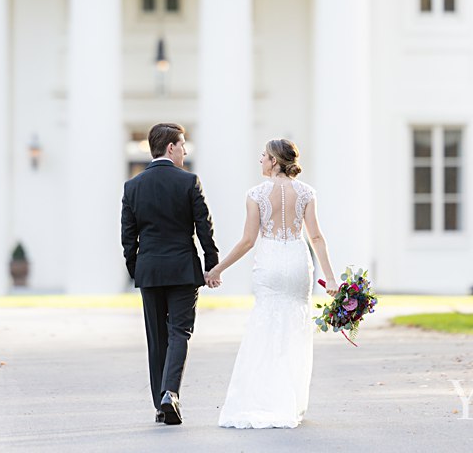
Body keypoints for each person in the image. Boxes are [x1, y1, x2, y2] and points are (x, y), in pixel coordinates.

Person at [206, 138, 336, 429]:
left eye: (263, 156)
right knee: (294, 327)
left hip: (270, 263)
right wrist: (330, 278)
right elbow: (316, 237)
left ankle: (259, 398)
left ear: (274, 161)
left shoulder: (255, 194)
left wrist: (218, 268)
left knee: (264, 324)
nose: (260, 160)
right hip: (296, 262)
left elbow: (248, 241)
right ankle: (289, 401)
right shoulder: (306, 192)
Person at [121, 122, 220, 426]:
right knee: (180, 332)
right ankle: (170, 394)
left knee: (156, 337)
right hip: (182, 269)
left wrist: (136, 269)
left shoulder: (133, 186)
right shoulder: (189, 181)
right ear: (171, 148)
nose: (185, 151)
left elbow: (128, 236)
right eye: (183, 145)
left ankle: (159, 404)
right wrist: (211, 263)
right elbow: (204, 227)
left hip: (150, 270)